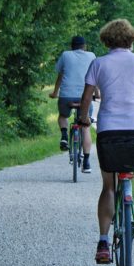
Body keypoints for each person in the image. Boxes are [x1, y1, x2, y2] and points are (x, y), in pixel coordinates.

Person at [77, 19, 134, 265]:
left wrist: (84, 119)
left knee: (108, 187)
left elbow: (87, 98)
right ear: (132, 39)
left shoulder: (98, 63)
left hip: (109, 130)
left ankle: (104, 243)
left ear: (106, 41)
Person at [49, 35, 97, 172]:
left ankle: (64, 136)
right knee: (85, 126)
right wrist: (97, 93)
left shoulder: (65, 55)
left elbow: (61, 74)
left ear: (72, 46)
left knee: (63, 116)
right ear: (85, 46)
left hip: (66, 96)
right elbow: (94, 78)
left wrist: (55, 92)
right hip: (85, 97)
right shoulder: (92, 55)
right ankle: (87, 162)